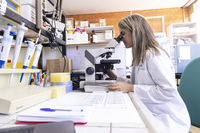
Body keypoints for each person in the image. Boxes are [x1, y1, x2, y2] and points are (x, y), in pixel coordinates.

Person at [106, 14, 191, 133]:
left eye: (123, 33)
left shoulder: (154, 55)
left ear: (135, 31)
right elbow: (139, 84)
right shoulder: (140, 55)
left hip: (168, 118)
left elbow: (168, 91)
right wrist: (114, 77)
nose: (121, 38)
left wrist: (131, 87)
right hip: (152, 111)